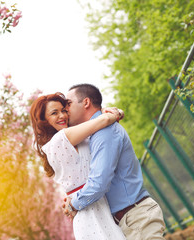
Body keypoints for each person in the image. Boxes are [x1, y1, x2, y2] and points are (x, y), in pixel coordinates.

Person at [62, 84, 166, 240]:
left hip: (136, 218)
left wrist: (73, 204)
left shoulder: (104, 131)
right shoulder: (96, 131)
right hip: (129, 220)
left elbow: (99, 182)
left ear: (86, 102)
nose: (65, 110)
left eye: (68, 104)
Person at [30, 92, 126, 239]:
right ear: (44, 120)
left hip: (94, 206)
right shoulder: (60, 139)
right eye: (54, 113)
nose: (62, 116)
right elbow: (105, 119)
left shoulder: (73, 138)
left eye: (63, 110)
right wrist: (117, 113)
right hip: (90, 213)